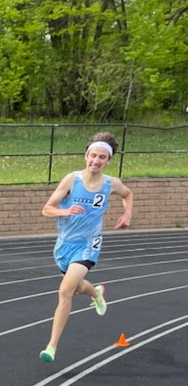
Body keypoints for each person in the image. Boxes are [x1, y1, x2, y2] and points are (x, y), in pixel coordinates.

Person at [39, 132, 134, 362]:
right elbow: (47, 209)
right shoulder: (72, 180)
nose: (96, 160)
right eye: (93, 155)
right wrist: (65, 211)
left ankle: (51, 347)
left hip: (88, 245)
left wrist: (127, 213)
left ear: (108, 160)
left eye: (102, 157)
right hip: (64, 245)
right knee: (78, 287)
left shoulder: (111, 184)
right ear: (86, 156)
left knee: (65, 291)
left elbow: (128, 194)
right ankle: (96, 292)